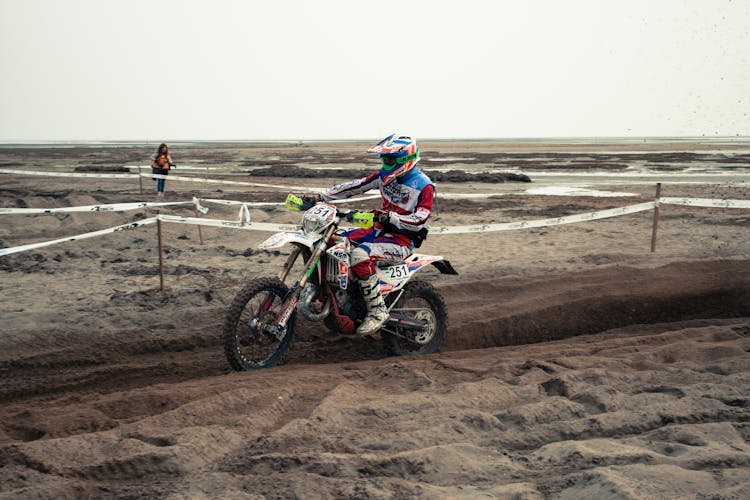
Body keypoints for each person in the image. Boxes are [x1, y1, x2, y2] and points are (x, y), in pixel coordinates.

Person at [301, 133, 435, 336]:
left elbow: (420, 220)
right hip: (377, 232)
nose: (386, 163)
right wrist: (320, 196)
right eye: (384, 159)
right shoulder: (384, 177)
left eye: (390, 160)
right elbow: (355, 186)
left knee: (359, 255)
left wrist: (391, 218)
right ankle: (337, 294)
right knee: (335, 241)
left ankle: (377, 311)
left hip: (401, 241)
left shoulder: (424, 186)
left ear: (405, 160)